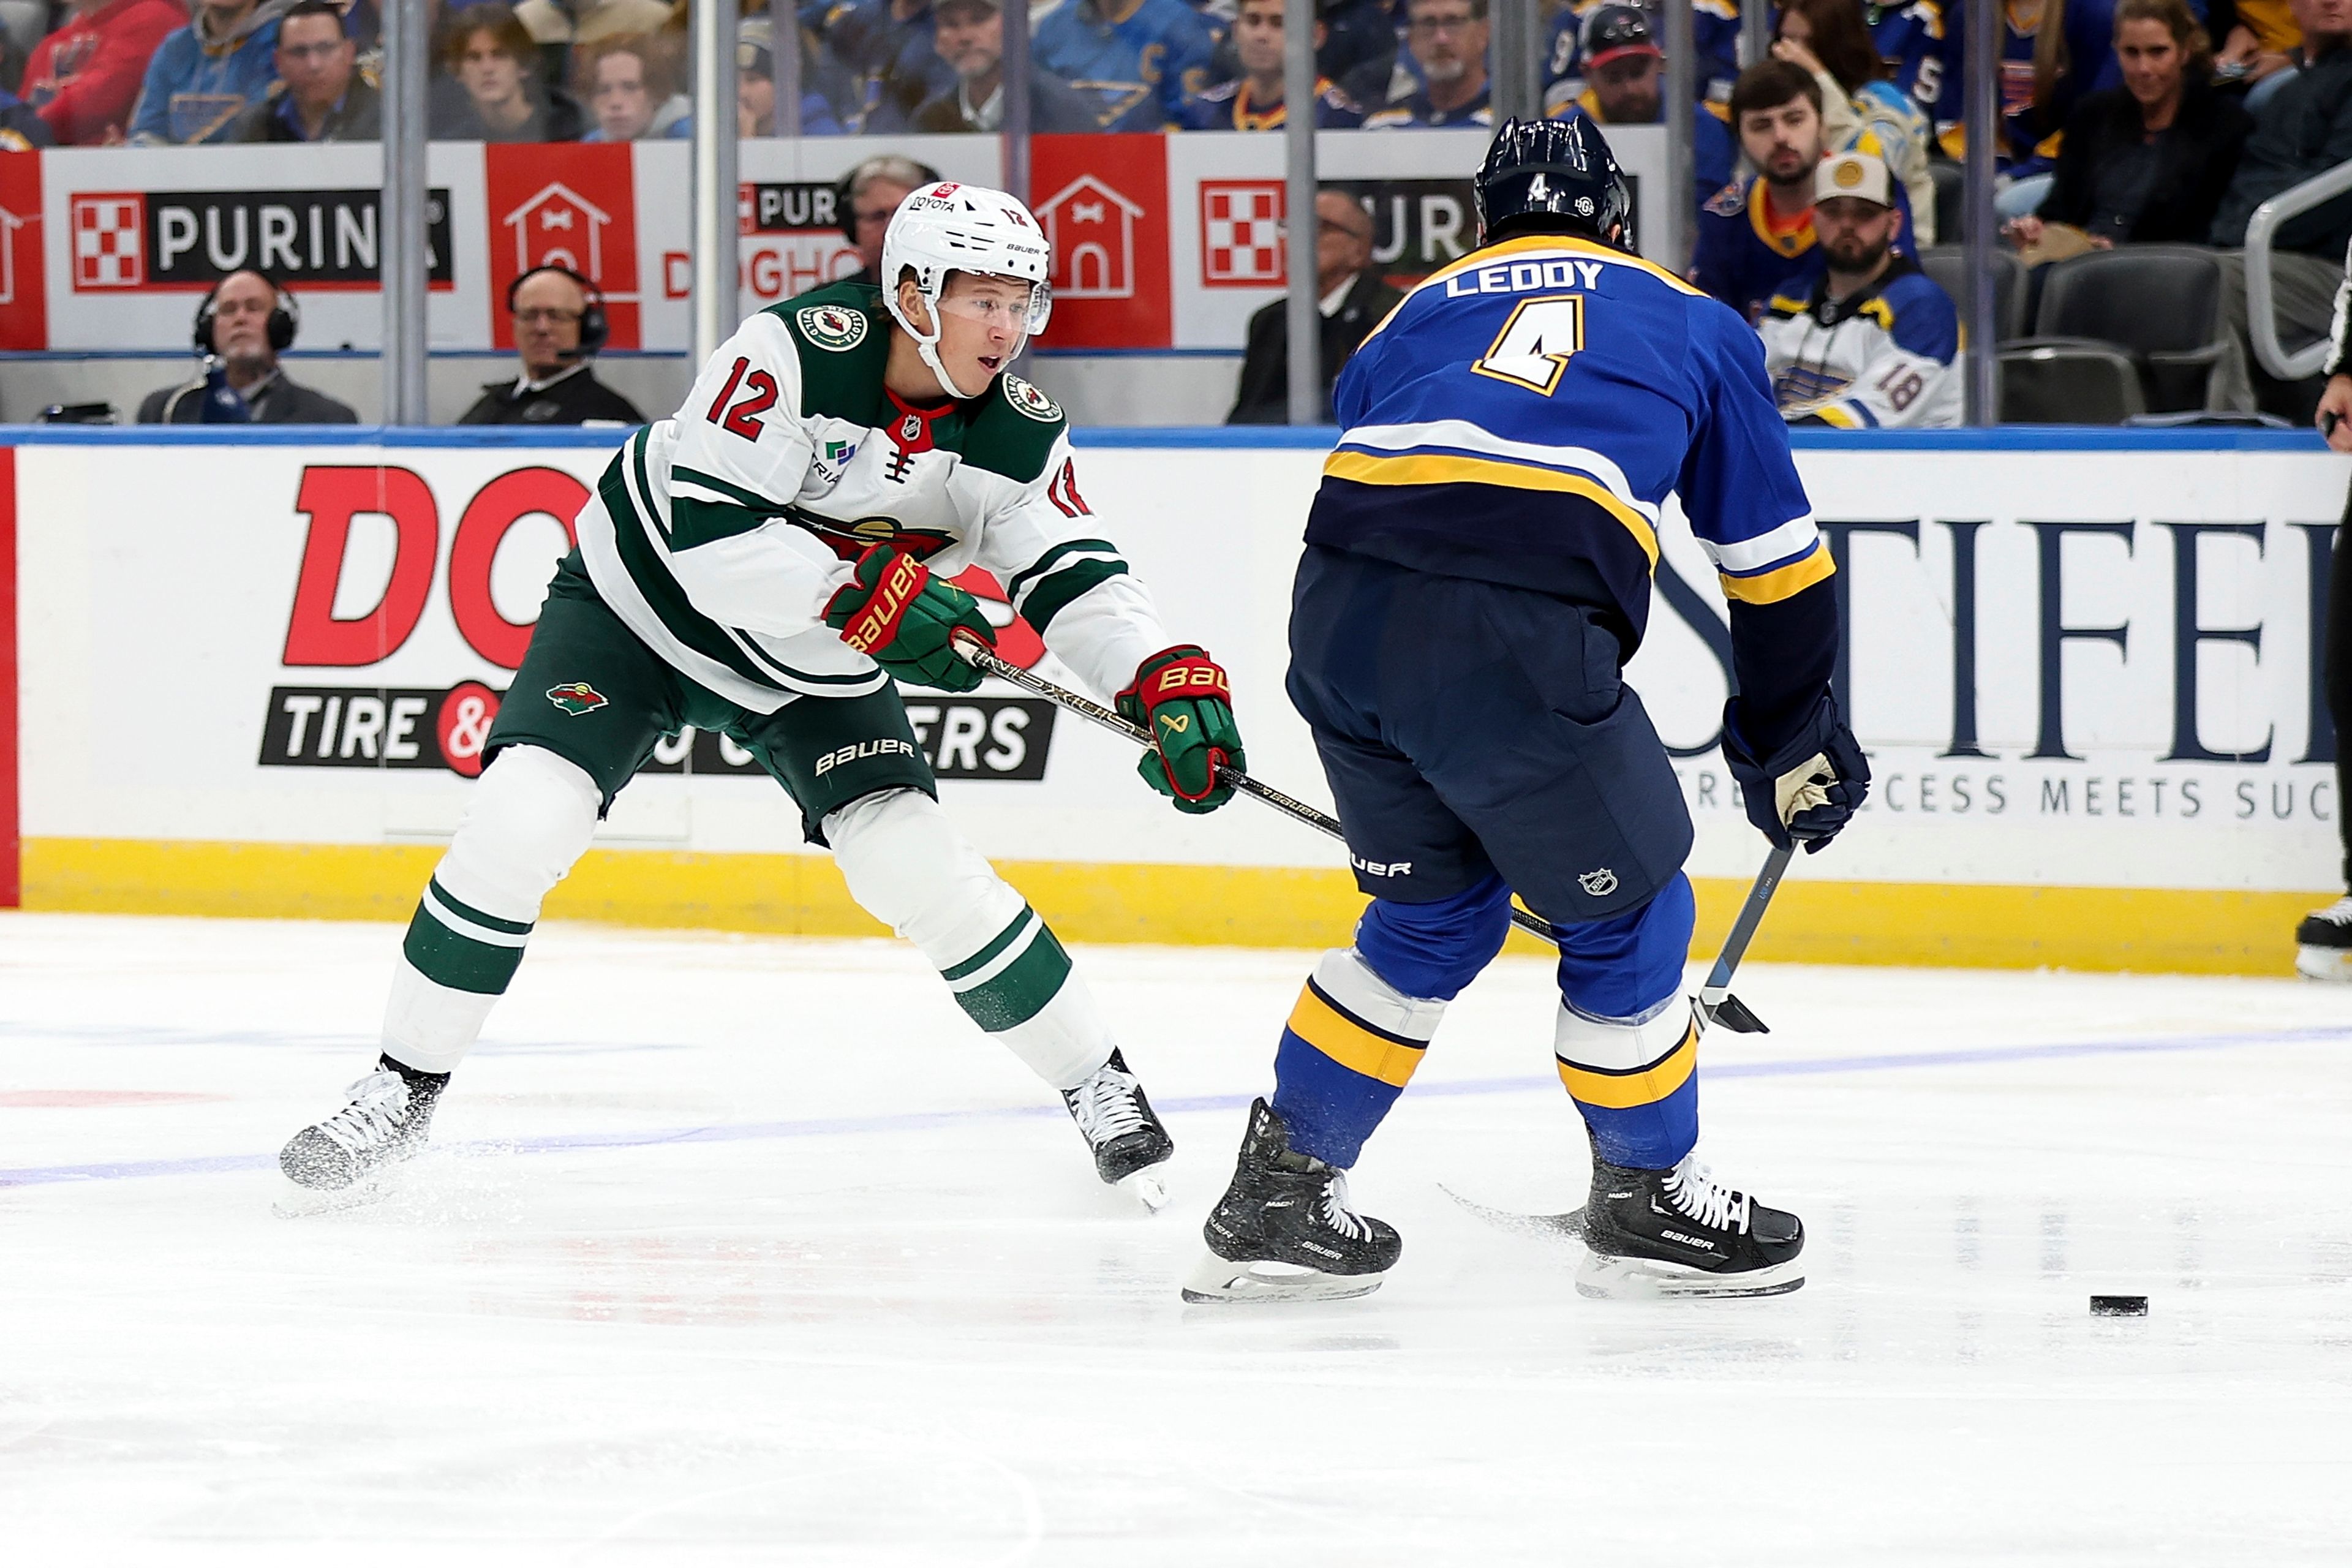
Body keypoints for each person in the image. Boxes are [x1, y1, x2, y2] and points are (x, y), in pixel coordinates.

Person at [279, 183, 1242, 1221]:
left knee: (915, 863)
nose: (1005, 328)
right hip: (639, 615)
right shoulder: (792, 353)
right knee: (521, 820)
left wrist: (1156, 672)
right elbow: (706, 538)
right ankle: (401, 1090)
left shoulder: (1016, 430)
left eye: (1021, 302)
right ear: (914, 291)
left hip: (809, 667)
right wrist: (860, 594)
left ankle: (1098, 1080)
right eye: (981, 299)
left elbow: (1072, 573)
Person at [1184, 116, 1863, 1307]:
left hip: (1339, 623)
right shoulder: (1694, 318)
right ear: (1617, 219)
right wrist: (1787, 732)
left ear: (1484, 223)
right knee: (1634, 907)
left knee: (1433, 915)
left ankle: (1282, 1186)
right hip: (1509, 630)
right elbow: (1778, 565)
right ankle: (1648, 1188)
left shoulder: (1410, 311)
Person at [2007, 0, 2249, 252]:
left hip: (2164, 265)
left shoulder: (2224, 124)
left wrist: (2120, 251)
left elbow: (2211, 230)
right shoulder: (2092, 115)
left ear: (2184, 51)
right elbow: (2060, 207)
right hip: (2080, 257)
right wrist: (2037, 227)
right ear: (2116, 51)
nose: (2143, 68)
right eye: (2131, 53)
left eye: (2158, 52)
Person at [1759, 151, 1961, 426]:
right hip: (1792, 453)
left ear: (1893, 224)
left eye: (1864, 214)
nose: (1847, 225)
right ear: (1814, 219)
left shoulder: (1925, 309)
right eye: (1833, 212)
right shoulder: (1788, 299)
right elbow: (1741, 386)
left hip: (1891, 464)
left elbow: (1864, 420)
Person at [1226, 192, 1402, 425]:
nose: (1297, 240)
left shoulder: (1391, 317)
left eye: (1319, 227)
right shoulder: (1271, 321)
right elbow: (1247, 416)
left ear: (1359, 250)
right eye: (1292, 227)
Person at [1773, 0, 1939, 244]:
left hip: (1895, 253)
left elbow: (1864, 170)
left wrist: (1819, 78)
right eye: (1787, 40)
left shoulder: (1886, 101)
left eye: (1808, 43)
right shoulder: (1782, 113)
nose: (1792, 54)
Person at [1551, 6, 1736, 213]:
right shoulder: (1562, 136)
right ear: (1588, 74)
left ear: (1659, 63)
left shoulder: (1700, 127)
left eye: (1638, 73)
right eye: (1614, 76)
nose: (1629, 89)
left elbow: (1710, 219)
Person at [1693, 61, 1829, 323]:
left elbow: (1900, 298)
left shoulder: (1868, 198)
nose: (1780, 137)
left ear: (1822, 125)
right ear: (1739, 139)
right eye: (1761, 126)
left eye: (1794, 120)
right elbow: (1707, 325)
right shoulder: (1723, 217)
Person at [137, 271, 360, 425]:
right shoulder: (164, 412)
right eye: (228, 310)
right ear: (209, 330)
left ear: (279, 326)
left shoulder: (330, 419)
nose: (240, 319)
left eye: (254, 308)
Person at [458, 266, 648, 426]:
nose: (542, 328)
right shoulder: (491, 405)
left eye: (557, 316)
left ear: (586, 327)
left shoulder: (608, 413)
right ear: (514, 327)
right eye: (529, 316)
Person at [911, 0, 1101, 132]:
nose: (965, 37)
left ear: (1016, 26)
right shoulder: (930, 118)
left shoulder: (1059, 109)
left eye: (979, 20)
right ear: (937, 40)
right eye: (951, 24)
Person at [1031, 0, 1218, 130]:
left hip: (1151, 161)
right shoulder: (1054, 25)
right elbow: (1036, 107)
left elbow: (1193, 117)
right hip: (1068, 157)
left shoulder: (1178, 23)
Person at [1178, 0, 1364, 130]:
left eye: (1278, 23)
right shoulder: (1203, 112)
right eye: (1253, 21)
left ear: (1315, 36)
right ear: (1235, 30)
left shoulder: (1336, 118)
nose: (1261, 35)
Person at [21, 0, 184, 145]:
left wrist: (22, 127)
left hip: (117, 170)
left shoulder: (154, 18)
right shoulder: (53, 42)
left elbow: (93, 106)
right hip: (46, 166)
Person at [127, 0, 288, 145]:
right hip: (174, 174)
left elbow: (258, 129)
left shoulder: (281, 43)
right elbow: (147, 133)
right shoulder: (175, 47)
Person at [232, 0, 380, 141]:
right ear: (278, 61)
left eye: (325, 48)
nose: (313, 65)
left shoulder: (388, 120)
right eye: (299, 52)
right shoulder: (257, 126)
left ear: (349, 53)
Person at [434, 2, 585, 140]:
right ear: (458, 71)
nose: (487, 68)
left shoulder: (570, 131)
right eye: (474, 58)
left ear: (524, 65)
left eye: (500, 55)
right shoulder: (454, 144)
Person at [1363, 0, 1494, 127]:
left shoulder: (1507, 124)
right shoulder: (1385, 127)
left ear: (1483, 33)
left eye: (1453, 23)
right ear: (1411, 38)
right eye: (1428, 24)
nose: (1441, 39)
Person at [829, 154, 944, 292]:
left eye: (901, 215)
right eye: (877, 217)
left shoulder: (965, 298)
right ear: (852, 227)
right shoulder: (826, 304)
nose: (891, 228)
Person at [736, 16, 845, 136]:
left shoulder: (820, 133)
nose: (741, 92)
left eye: (753, 80)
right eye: (734, 82)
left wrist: (745, 145)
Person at [578, 32, 689, 140]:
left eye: (630, 88)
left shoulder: (692, 138)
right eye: (603, 90)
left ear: (657, 92)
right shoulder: (593, 143)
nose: (616, 102)